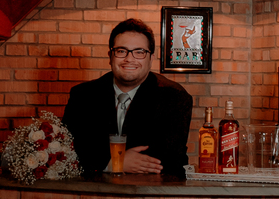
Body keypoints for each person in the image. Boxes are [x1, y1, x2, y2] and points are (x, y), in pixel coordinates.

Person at [62, 18, 193, 177]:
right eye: (121, 51)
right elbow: (70, 148)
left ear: (151, 58)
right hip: (93, 188)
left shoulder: (174, 97)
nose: (129, 59)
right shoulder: (83, 95)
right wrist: (115, 163)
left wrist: (103, 156)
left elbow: (169, 156)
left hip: (153, 189)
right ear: (110, 56)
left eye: (139, 52)